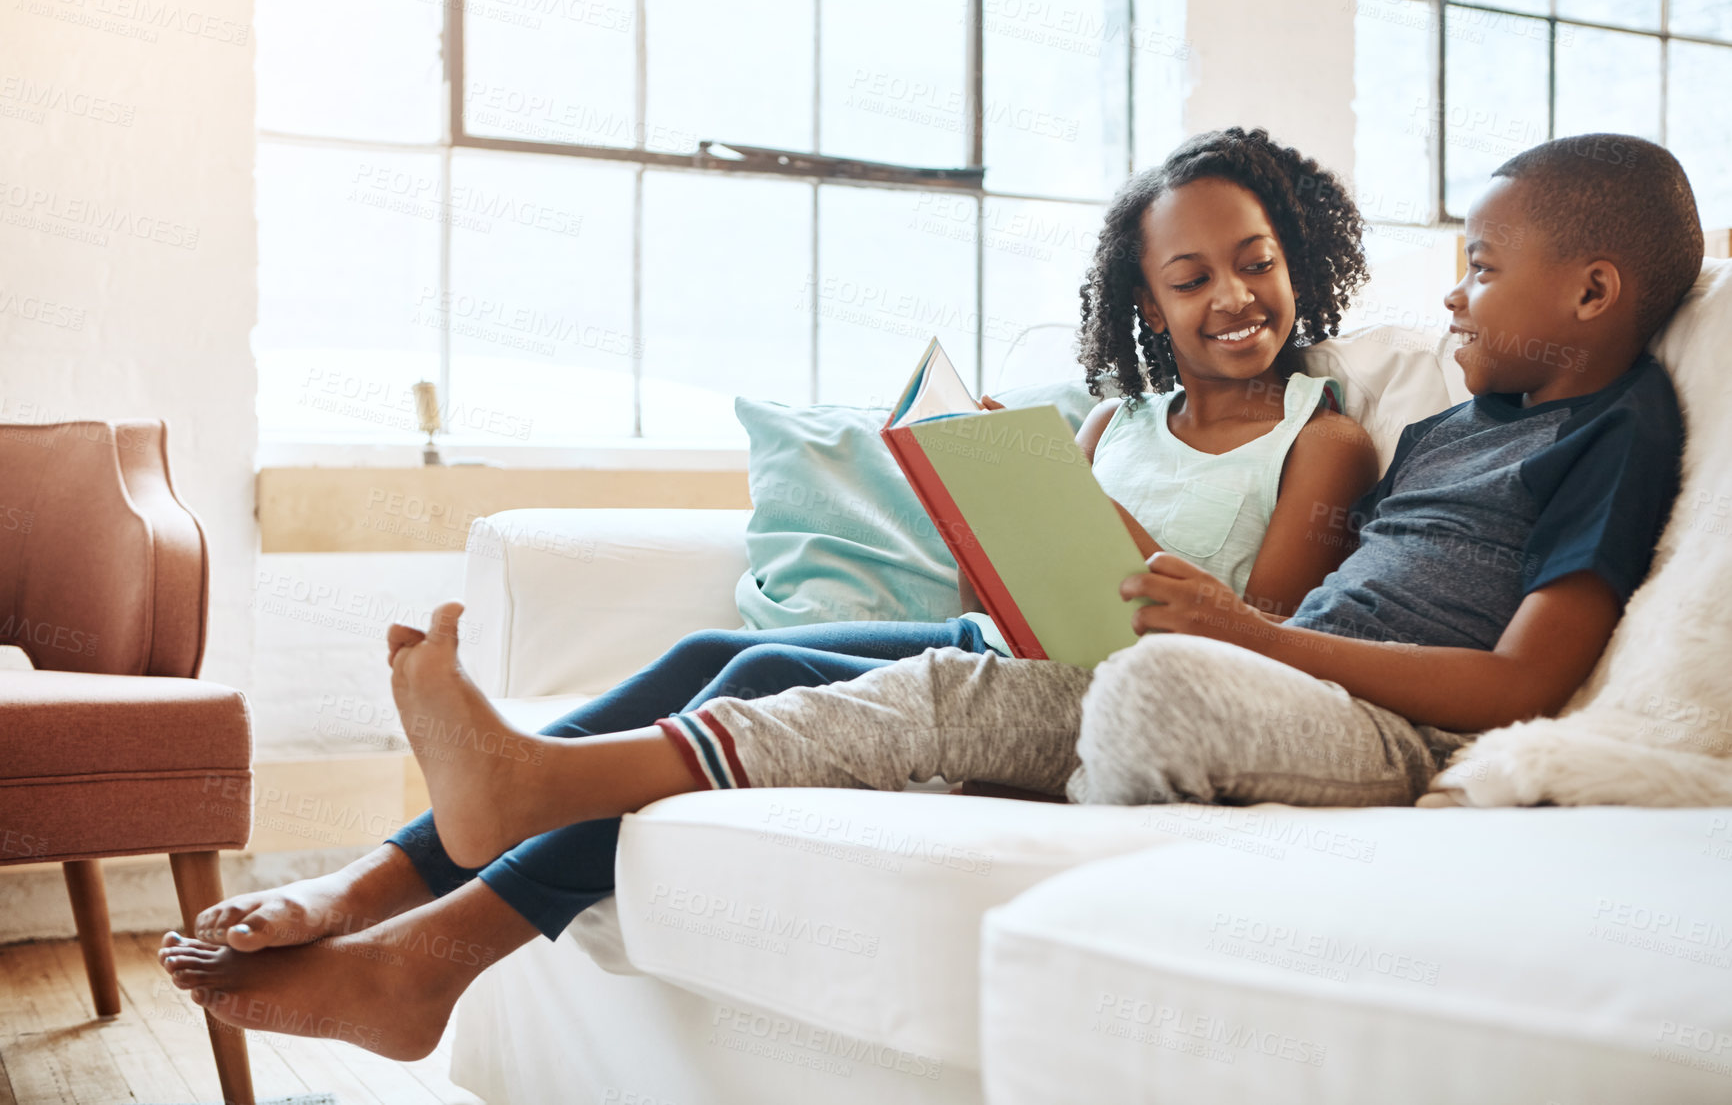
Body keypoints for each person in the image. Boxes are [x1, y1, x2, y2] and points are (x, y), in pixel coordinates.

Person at [158, 126, 1707, 1062]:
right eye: (1190, 278)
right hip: (1211, 660)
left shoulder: (1523, 431)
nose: (1454, 294)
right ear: (1147, 308)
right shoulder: (1459, 419)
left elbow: (1484, 669)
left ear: (1589, 289)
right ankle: (450, 846)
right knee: (801, 660)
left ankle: (465, 863)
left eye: (1482, 264)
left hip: (1280, 687)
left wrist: (1221, 621)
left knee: (1045, 684)